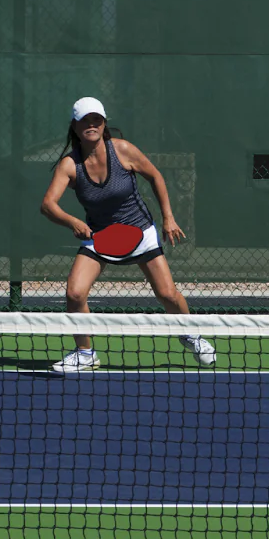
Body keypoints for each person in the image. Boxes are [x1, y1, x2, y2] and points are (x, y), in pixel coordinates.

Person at [38, 97, 215, 373]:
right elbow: (47, 205)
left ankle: (190, 334)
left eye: (96, 119)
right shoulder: (69, 165)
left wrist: (168, 218)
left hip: (140, 231)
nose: (91, 125)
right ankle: (85, 353)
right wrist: (72, 221)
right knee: (74, 293)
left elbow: (155, 176)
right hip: (99, 237)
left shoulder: (123, 150)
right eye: (85, 120)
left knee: (167, 294)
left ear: (104, 123)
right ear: (75, 126)